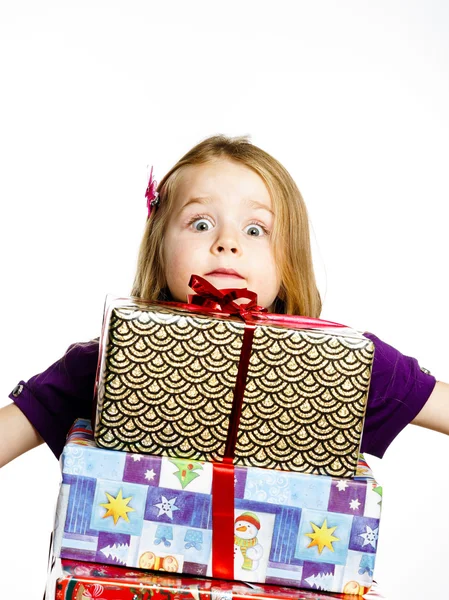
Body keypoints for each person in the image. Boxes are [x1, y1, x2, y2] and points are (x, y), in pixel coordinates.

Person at [0, 134, 448, 468]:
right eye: (200, 223)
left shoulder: (345, 363)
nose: (228, 242)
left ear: (289, 255)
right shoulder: (105, 360)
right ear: (158, 244)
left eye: (256, 229)